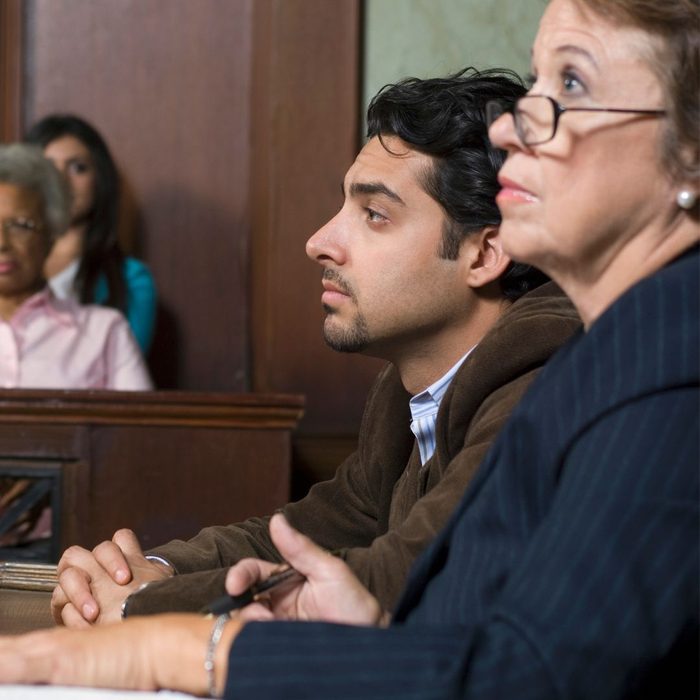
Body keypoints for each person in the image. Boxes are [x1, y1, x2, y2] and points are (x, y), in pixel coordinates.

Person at [0, 0, 695, 697]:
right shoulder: (601, 348)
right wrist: (165, 581)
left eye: (570, 85)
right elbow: (426, 595)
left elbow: (530, 674)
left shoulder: (654, 348)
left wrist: (181, 647)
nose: (515, 126)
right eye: (536, 86)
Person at [48, 68, 580, 625]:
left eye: (374, 214)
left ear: (484, 254)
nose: (319, 242)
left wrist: (137, 605)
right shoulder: (407, 391)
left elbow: (406, 576)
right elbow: (298, 536)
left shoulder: (543, 374)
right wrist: (147, 569)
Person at [0, 143, 151, 549]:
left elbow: (139, 453)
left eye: (21, 225)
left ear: (52, 232)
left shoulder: (103, 332)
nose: (1, 242)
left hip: (75, 549)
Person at [24, 114, 157, 354]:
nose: (61, 181)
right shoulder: (7, 263)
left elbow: (125, 373)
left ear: (100, 180)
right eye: (48, 168)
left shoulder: (130, 280)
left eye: (78, 167)